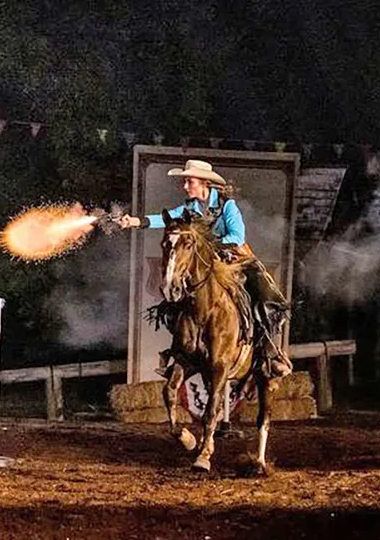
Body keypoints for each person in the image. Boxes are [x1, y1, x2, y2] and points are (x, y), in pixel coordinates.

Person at [117, 159, 293, 380]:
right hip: (207, 262)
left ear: (204, 184)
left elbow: (237, 237)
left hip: (235, 258)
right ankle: (179, 353)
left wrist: (208, 246)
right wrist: (136, 221)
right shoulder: (189, 208)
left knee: (262, 296)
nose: (185, 186)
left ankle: (269, 353)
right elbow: (168, 218)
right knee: (176, 300)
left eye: (189, 181)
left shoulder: (228, 206)